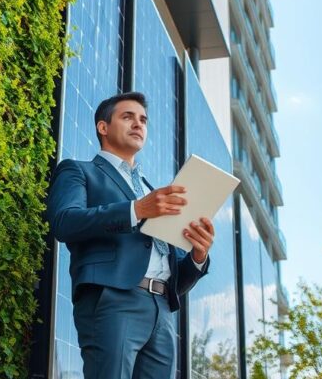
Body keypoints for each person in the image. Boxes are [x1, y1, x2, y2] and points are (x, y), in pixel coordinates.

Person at [47, 91, 216, 379]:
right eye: (128, 117)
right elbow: (64, 222)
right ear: (103, 126)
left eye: (143, 120)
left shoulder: (153, 192)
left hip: (161, 310)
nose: (138, 124)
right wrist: (135, 210)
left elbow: (178, 277)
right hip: (112, 298)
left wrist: (198, 256)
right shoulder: (79, 171)